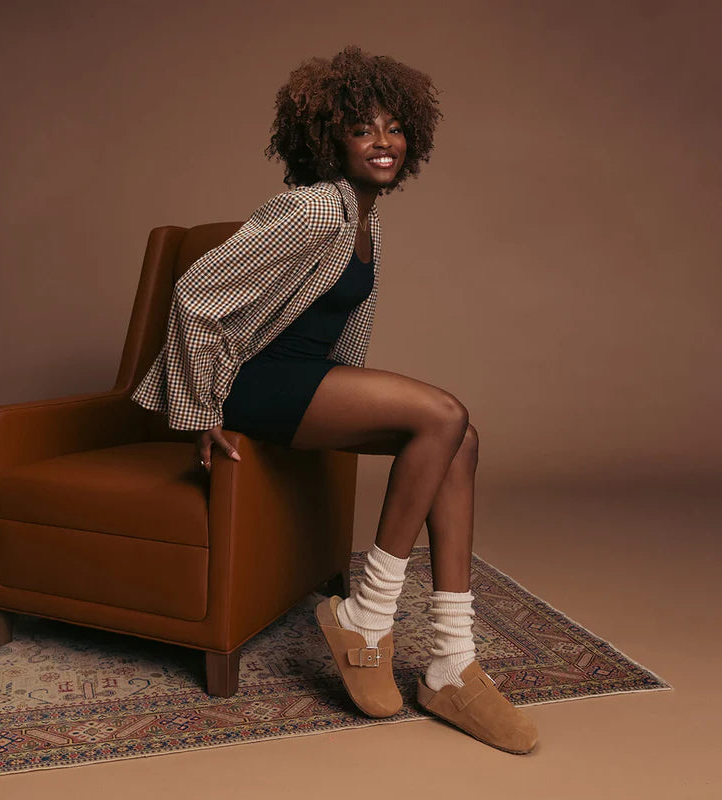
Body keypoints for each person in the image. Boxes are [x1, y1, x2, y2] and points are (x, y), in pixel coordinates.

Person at [131, 45, 537, 754]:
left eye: (394, 127)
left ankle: (450, 662)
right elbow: (197, 293)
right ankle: (368, 618)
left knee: (456, 442)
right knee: (444, 413)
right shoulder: (315, 207)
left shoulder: (366, 217)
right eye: (362, 128)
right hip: (256, 383)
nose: (382, 142)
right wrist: (205, 413)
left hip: (303, 383)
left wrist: (359, 411)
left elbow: (342, 339)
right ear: (328, 139)